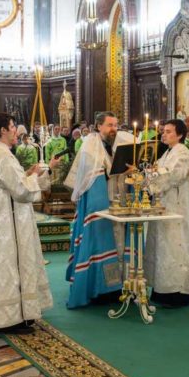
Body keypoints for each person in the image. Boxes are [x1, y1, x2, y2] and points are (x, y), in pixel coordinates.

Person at [0, 112, 53, 331]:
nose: (16, 131)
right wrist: (36, 175)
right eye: (12, 127)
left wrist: (29, 173)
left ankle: (12, 315)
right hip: (8, 224)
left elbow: (13, 181)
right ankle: (11, 318)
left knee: (3, 267)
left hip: (1, 220)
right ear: (3, 130)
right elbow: (20, 191)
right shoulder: (3, 156)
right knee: (10, 267)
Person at [65, 113, 123, 307]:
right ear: (99, 126)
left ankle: (114, 287)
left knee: (114, 244)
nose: (114, 129)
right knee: (98, 244)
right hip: (97, 203)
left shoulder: (113, 144)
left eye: (116, 125)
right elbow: (90, 176)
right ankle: (97, 289)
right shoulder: (90, 145)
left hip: (113, 202)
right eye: (109, 125)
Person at [142, 118, 189, 306]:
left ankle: (177, 292)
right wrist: (148, 172)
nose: (163, 134)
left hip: (177, 208)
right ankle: (161, 289)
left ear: (179, 135)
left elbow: (174, 176)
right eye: (163, 131)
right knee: (162, 248)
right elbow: (157, 171)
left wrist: (152, 174)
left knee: (175, 247)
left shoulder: (183, 153)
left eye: (168, 131)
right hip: (164, 206)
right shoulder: (167, 153)